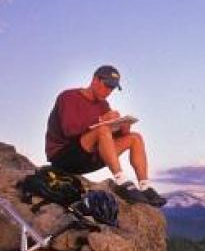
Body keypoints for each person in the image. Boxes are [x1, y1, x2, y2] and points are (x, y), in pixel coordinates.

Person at [45, 65, 165, 207]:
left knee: (135, 137)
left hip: (89, 157)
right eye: (107, 85)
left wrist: (123, 128)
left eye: (112, 88)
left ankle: (145, 186)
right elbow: (70, 130)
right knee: (102, 130)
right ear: (95, 80)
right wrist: (102, 120)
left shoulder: (103, 104)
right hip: (63, 157)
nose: (108, 91)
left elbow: (108, 138)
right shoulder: (68, 97)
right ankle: (121, 181)